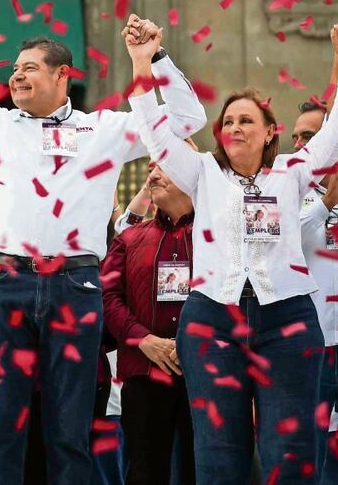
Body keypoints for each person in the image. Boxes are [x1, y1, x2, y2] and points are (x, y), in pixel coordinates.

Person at [0, 8, 206, 484]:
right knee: (0, 429)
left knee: (70, 431)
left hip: (76, 285)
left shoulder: (103, 129)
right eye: (14, 69)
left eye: (29, 67)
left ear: (63, 75)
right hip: (3, 283)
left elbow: (188, 117)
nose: (16, 75)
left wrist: (152, 57)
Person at [127, 26, 338, 482]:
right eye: (227, 122)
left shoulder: (292, 171)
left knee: (290, 452)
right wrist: (144, 64)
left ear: (269, 133)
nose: (234, 127)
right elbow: (153, 132)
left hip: (288, 321)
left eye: (246, 121)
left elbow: (335, 132)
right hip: (212, 320)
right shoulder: (201, 170)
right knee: (219, 453)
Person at [102, 161, 196, 484]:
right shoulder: (129, 238)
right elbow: (107, 297)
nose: (153, 175)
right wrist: (143, 339)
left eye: (165, 168)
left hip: (204, 371)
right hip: (143, 370)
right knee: (144, 471)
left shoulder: (216, 234)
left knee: (202, 469)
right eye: (151, 169)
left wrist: (190, 343)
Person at [293, 24, 338, 483]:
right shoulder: (291, 195)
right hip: (320, 343)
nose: (303, 145)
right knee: (317, 456)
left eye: (313, 136)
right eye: (297, 138)